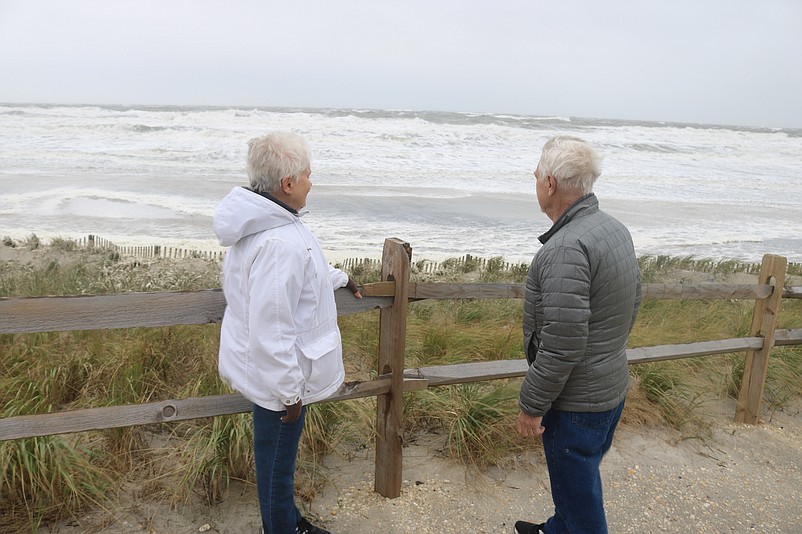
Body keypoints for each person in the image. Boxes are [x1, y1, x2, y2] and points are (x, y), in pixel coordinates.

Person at [213, 131, 361, 534]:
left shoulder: (276, 226)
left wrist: (340, 277)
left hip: (281, 375)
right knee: (277, 467)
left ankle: (291, 520)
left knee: (279, 461)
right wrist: (288, 391)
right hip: (283, 380)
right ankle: (282, 527)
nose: (313, 182)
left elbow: (302, 279)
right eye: (308, 175)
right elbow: (271, 326)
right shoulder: (278, 242)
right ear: (288, 184)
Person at [515, 136, 642, 534]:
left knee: (580, 499)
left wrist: (531, 405)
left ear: (550, 184)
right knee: (576, 485)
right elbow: (635, 298)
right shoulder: (611, 228)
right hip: (608, 390)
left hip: (576, 404)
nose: (535, 181)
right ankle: (557, 528)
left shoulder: (566, 247)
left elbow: (562, 341)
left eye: (537, 174)